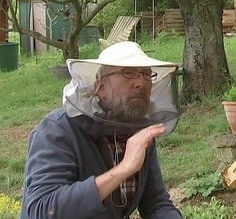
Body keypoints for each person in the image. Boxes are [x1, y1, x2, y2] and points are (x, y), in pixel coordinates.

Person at [19, 41, 182, 219]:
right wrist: (123, 169)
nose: (141, 83)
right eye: (128, 73)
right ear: (101, 88)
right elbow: (43, 210)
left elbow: (156, 203)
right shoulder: (57, 130)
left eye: (146, 74)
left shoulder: (139, 131)